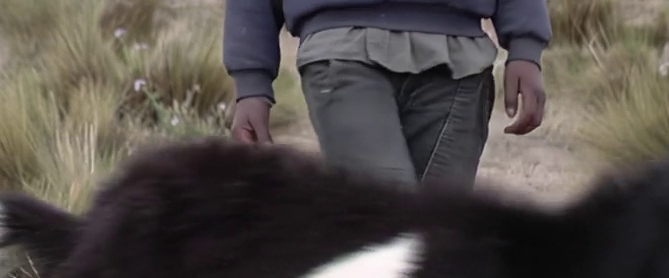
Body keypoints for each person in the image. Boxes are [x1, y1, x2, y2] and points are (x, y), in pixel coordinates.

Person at [222, 0, 551, 188]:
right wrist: (251, 82)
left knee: (441, 235)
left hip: (458, 58)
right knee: (384, 221)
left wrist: (526, 44)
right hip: (342, 49)